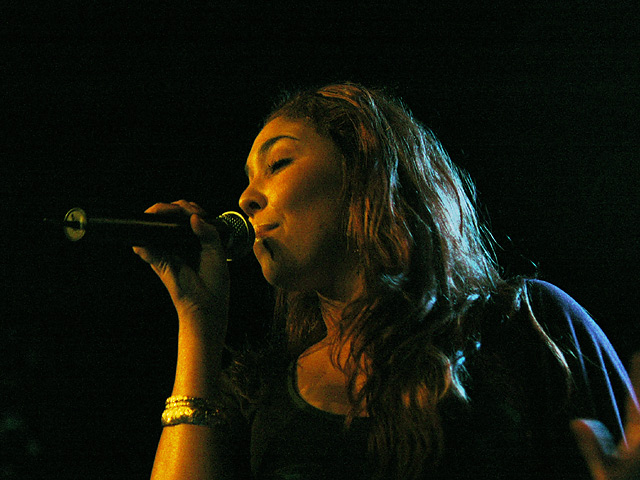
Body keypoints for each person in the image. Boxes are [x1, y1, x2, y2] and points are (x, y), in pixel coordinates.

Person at [134, 83, 640, 479]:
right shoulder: (258, 392)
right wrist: (198, 322)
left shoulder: (529, 324)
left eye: (278, 163)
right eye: (248, 178)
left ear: (367, 173)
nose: (246, 197)